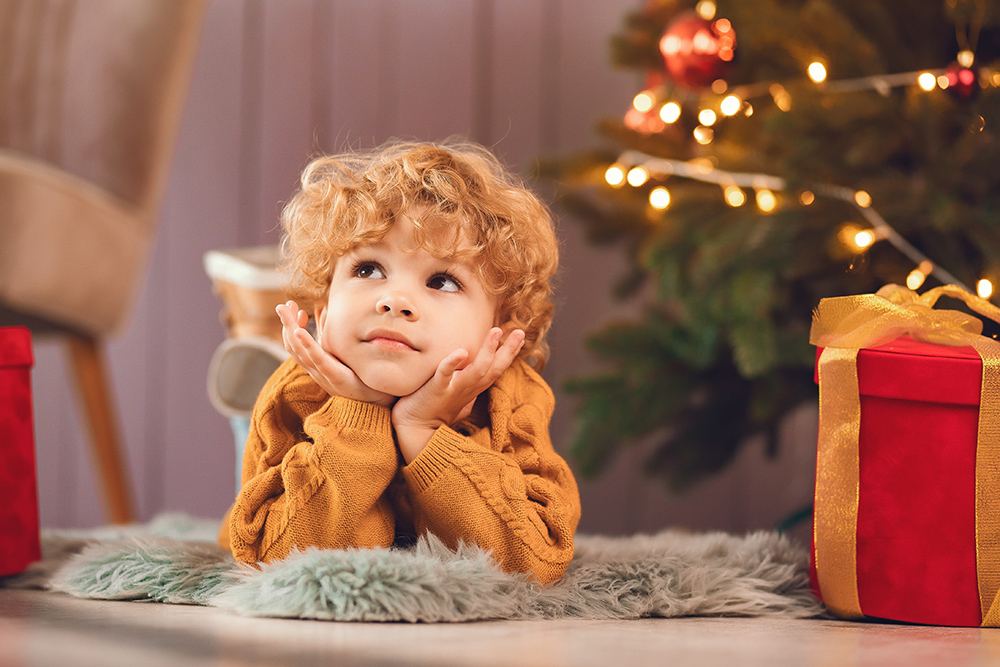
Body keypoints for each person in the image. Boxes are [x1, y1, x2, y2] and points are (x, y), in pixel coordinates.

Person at [218, 139, 581, 584]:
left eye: (442, 280)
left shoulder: (514, 398)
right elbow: (269, 559)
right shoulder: (295, 391)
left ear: (498, 334)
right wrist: (360, 415)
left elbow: (534, 560)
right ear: (323, 307)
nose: (395, 301)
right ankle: (246, 398)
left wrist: (422, 431)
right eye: (368, 269)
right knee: (253, 473)